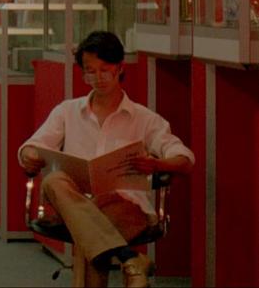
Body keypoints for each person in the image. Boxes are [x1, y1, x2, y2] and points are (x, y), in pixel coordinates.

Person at [19, 31, 194, 288]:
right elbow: (32, 147)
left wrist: (156, 164)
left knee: (88, 235)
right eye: (90, 71)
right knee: (54, 181)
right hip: (80, 202)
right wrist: (29, 156)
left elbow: (185, 160)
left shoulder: (143, 118)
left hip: (126, 207)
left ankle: (127, 258)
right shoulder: (67, 111)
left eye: (105, 69)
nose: (98, 78)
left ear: (120, 68)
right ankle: (130, 259)